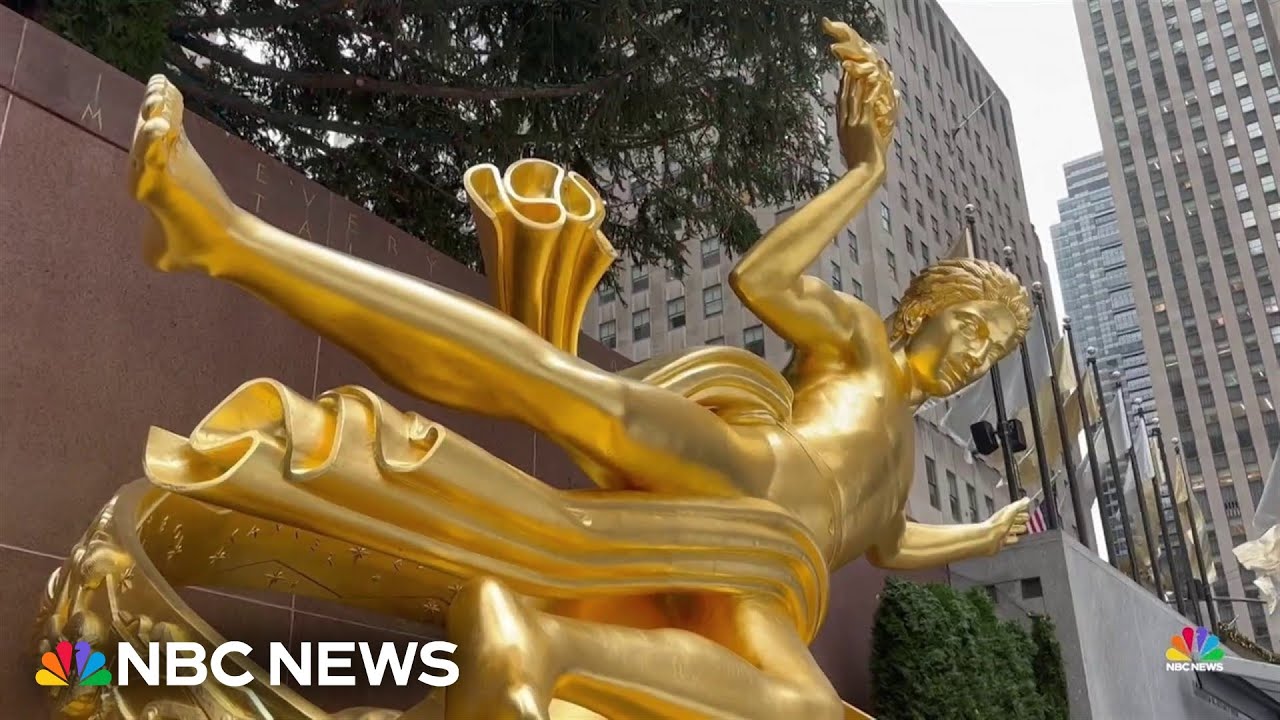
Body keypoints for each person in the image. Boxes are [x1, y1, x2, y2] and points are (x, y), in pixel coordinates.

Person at [130, 19, 1032, 720]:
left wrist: (986, 536)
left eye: (991, 353)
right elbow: (760, 278)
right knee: (560, 385)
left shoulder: (910, 456)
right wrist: (865, 176)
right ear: (925, 309)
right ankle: (225, 236)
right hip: (746, 473)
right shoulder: (857, 338)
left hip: (763, 578)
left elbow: (891, 543)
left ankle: (543, 644)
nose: (975, 356)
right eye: (972, 329)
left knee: (800, 706)